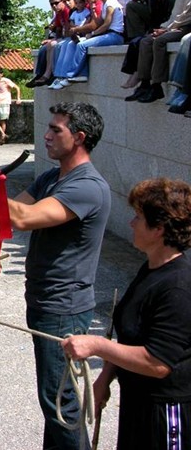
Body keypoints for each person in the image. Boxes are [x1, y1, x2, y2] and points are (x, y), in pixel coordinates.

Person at [0, 101, 111, 450]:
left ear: (79, 137)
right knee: (54, 399)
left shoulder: (87, 187)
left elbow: (22, 217)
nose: (46, 135)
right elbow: (7, 217)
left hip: (64, 307)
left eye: (55, 130)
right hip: (45, 302)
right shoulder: (52, 176)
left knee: (62, 404)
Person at [62, 178, 191, 450]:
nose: (131, 223)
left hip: (165, 411)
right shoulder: (151, 269)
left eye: (138, 217)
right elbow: (130, 337)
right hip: (136, 402)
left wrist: (97, 345)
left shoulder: (178, 287)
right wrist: (104, 379)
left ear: (158, 228)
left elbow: (157, 363)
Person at [125, 0, 191, 103]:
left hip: (185, 27)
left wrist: (166, 30)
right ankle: (144, 83)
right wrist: (163, 28)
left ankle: (157, 84)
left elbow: (185, 16)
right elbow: (176, 15)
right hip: (175, 25)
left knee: (159, 41)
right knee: (146, 41)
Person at [64, 0, 126, 83]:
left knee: (82, 46)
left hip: (115, 35)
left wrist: (92, 34)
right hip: (109, 35)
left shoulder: (111, 4)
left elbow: (106, 24)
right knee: (79, 43)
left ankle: (71, 75)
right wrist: (92, 11)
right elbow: (98, 22)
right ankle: (81, 74)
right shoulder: (105, 4)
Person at [0, 68, 21, 145]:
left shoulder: (6, 81)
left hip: (4, 102)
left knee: (2, 121)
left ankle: (1, 139)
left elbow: (17, 88)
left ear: (1, 74)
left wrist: (18, 98)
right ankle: (3, 134)